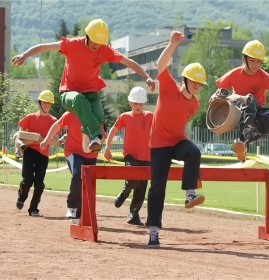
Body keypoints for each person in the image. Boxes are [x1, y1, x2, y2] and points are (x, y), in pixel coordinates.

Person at [12, 18, 155, 154]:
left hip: (91, 93)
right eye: (94, 42)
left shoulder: (105, 50)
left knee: (99, 116)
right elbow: (45, 47)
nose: (96, 46)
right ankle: (94, 136)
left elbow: (128, 62)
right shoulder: (72, 45)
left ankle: (87, 135)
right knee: (78, 99)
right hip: (69, 93)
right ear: (87, 35)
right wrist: (24, 55)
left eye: (100, 43)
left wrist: (146, 77)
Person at [145, 31, 207, 247]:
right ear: (185, 81)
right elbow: (160, 65)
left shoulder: (196, 104)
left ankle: (190, 194)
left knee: (193, 151)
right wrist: (172, 44)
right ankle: (153, 230)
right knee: (157, 186)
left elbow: (178, 122)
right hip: (160, 145)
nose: (197, 86)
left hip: (178, 142)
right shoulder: (169, 87)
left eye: (200, 84)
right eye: (194, 82)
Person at [209, 40, 269, 162]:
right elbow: (221, 90)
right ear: (244, 60)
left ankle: (243, 143)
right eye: (252, 60)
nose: (256, 65)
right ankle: (241, 138)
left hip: (256, 112)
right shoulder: (234, 74)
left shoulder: (264, 77)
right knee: (250, 99)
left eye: (258, 61)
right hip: (236, 108)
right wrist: (214, 96)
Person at [40, 112, 106, 222]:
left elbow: (102, 136)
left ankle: (79, 215)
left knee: (86, 183)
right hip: (73, 152)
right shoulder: (70, 114)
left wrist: (93, 144)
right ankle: (72, 206)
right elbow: (56, 125)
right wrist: (46, 140)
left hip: (90, 153)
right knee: (78, 174)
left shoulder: (96, 114)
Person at [104, 86, 153, 226]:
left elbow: (158, 130)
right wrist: (107, 148)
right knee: (132, 179)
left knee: (141, 188)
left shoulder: (149, 116)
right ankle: (124, 193)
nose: (138, 106)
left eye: (141, 103)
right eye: (135, 103)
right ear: (129, 102)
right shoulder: (124, 117)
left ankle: (133, 214)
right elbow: (113, 131)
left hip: (146, 157)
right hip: (130, 155)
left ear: (144, 103)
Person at [14, 90, 60, 216]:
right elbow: (19, 135)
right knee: (27, 180)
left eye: (49, 103)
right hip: (29, 152)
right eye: (44, 103)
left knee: (39, 184)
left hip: (43, 155)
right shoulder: (30, 117)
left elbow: (56, 141)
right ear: (39, 103)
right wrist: (22, 143)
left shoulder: (54, 121)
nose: (47, 105)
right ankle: (21, 197)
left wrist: (41, 139)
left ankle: (33, 209)